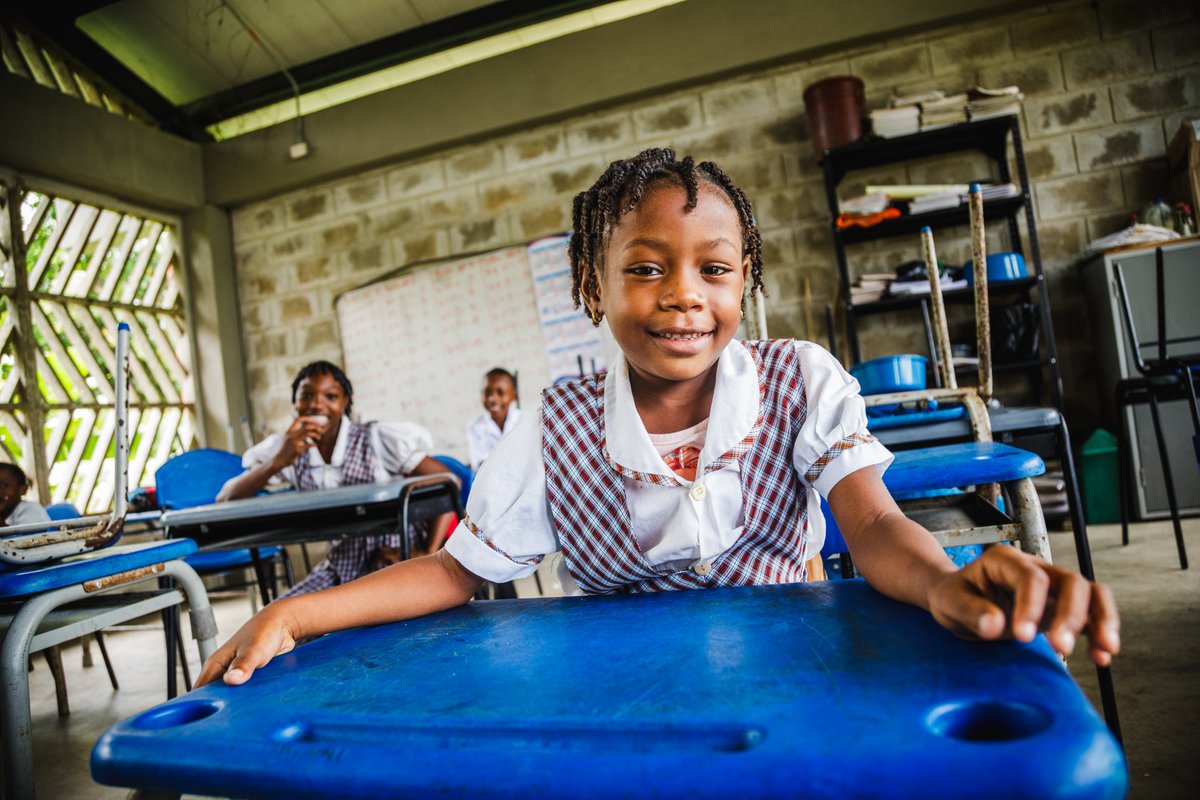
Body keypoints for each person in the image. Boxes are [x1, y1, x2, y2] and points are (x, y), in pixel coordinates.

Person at [197, 148, 1118, 687]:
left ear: (744, 282)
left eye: (713, 270)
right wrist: (299, 615)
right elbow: (453, 571)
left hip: (791, 667)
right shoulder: (552, 424)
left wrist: (943, 579)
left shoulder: (801, 380)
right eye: (645, 268)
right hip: (626, 689)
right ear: (592, 286)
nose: (683, 296)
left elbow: (872, 523)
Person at [216, 361, 455, 597]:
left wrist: (426, 551)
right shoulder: (289, 448)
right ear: (295, 402)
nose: (316, 405)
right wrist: (278, 461)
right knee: (280, 620)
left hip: (392, 560)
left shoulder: (375, 438)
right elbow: (226, 497)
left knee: (368, 627)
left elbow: (448, 482)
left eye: (330, 396)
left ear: (345, 402)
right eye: (306, 396)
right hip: (341, 566)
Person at [465, 368, 521, 472]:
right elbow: (480, 466)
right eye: (487, 392)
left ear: (514, 396)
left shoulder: (526, 421)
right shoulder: (475, 427)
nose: (493, 399)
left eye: (500, 393)